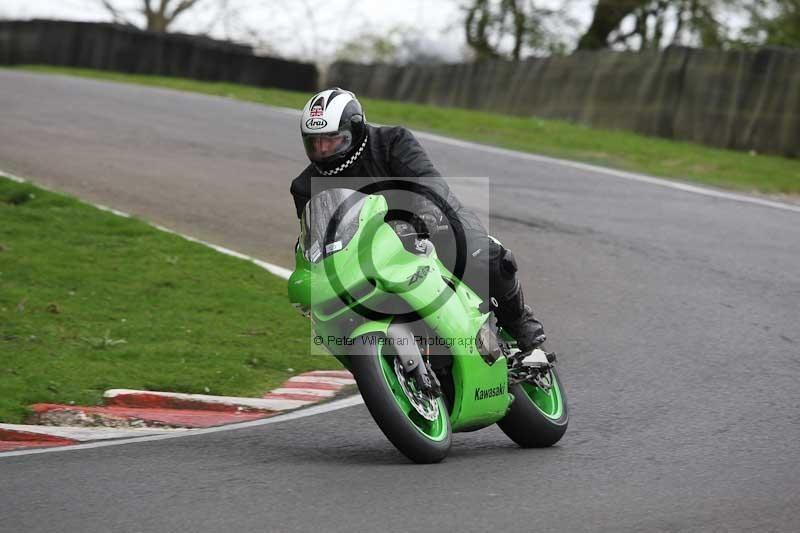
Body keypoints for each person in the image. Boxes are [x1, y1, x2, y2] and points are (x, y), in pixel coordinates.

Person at [290, 88, 546, 354]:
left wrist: (425, 212)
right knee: (333, 316)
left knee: (481, 256)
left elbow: (427, 180)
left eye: (332, 140)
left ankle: (518, 320)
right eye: (314, 142)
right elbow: (315, 232)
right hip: (369, 252)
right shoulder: (304, 186)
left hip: (428, 222)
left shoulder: (392, 141)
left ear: (354, 131)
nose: (323, 150)